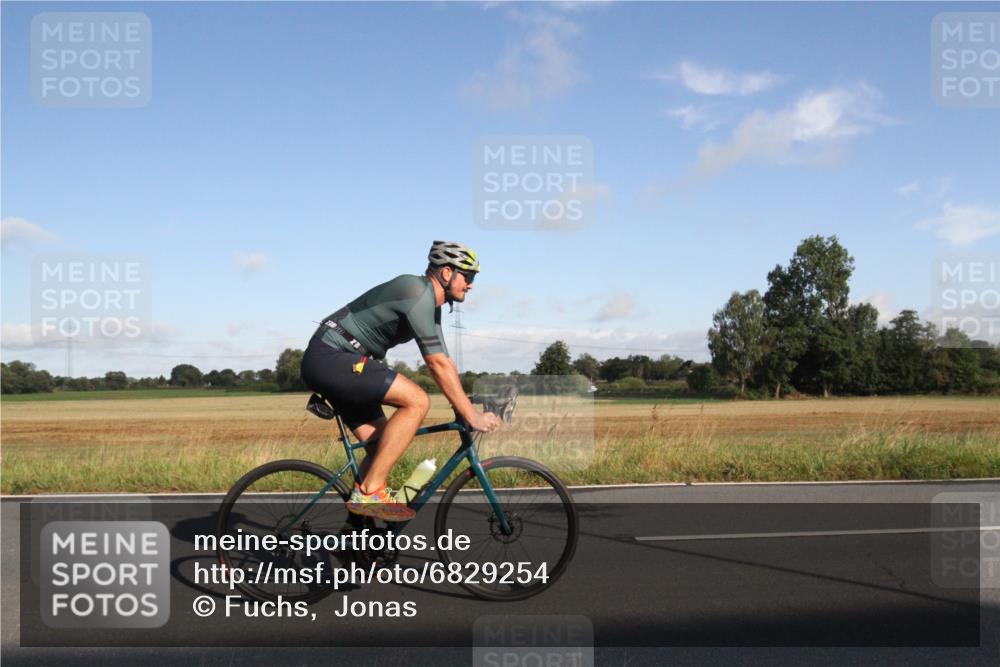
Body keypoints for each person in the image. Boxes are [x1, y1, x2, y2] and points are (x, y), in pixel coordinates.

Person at [300, 241, 502, 521]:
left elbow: (445, 361)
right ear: (447, 273)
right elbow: (436, 363)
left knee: (380, 447)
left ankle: (356, 537)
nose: (470, 285)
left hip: (342, 361)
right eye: (468, 276)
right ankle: (370, 492)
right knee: (417, 400)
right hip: (331, 356)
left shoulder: (430, 305)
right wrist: (471, 415)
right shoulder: (416, 291)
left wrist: (463, 405)